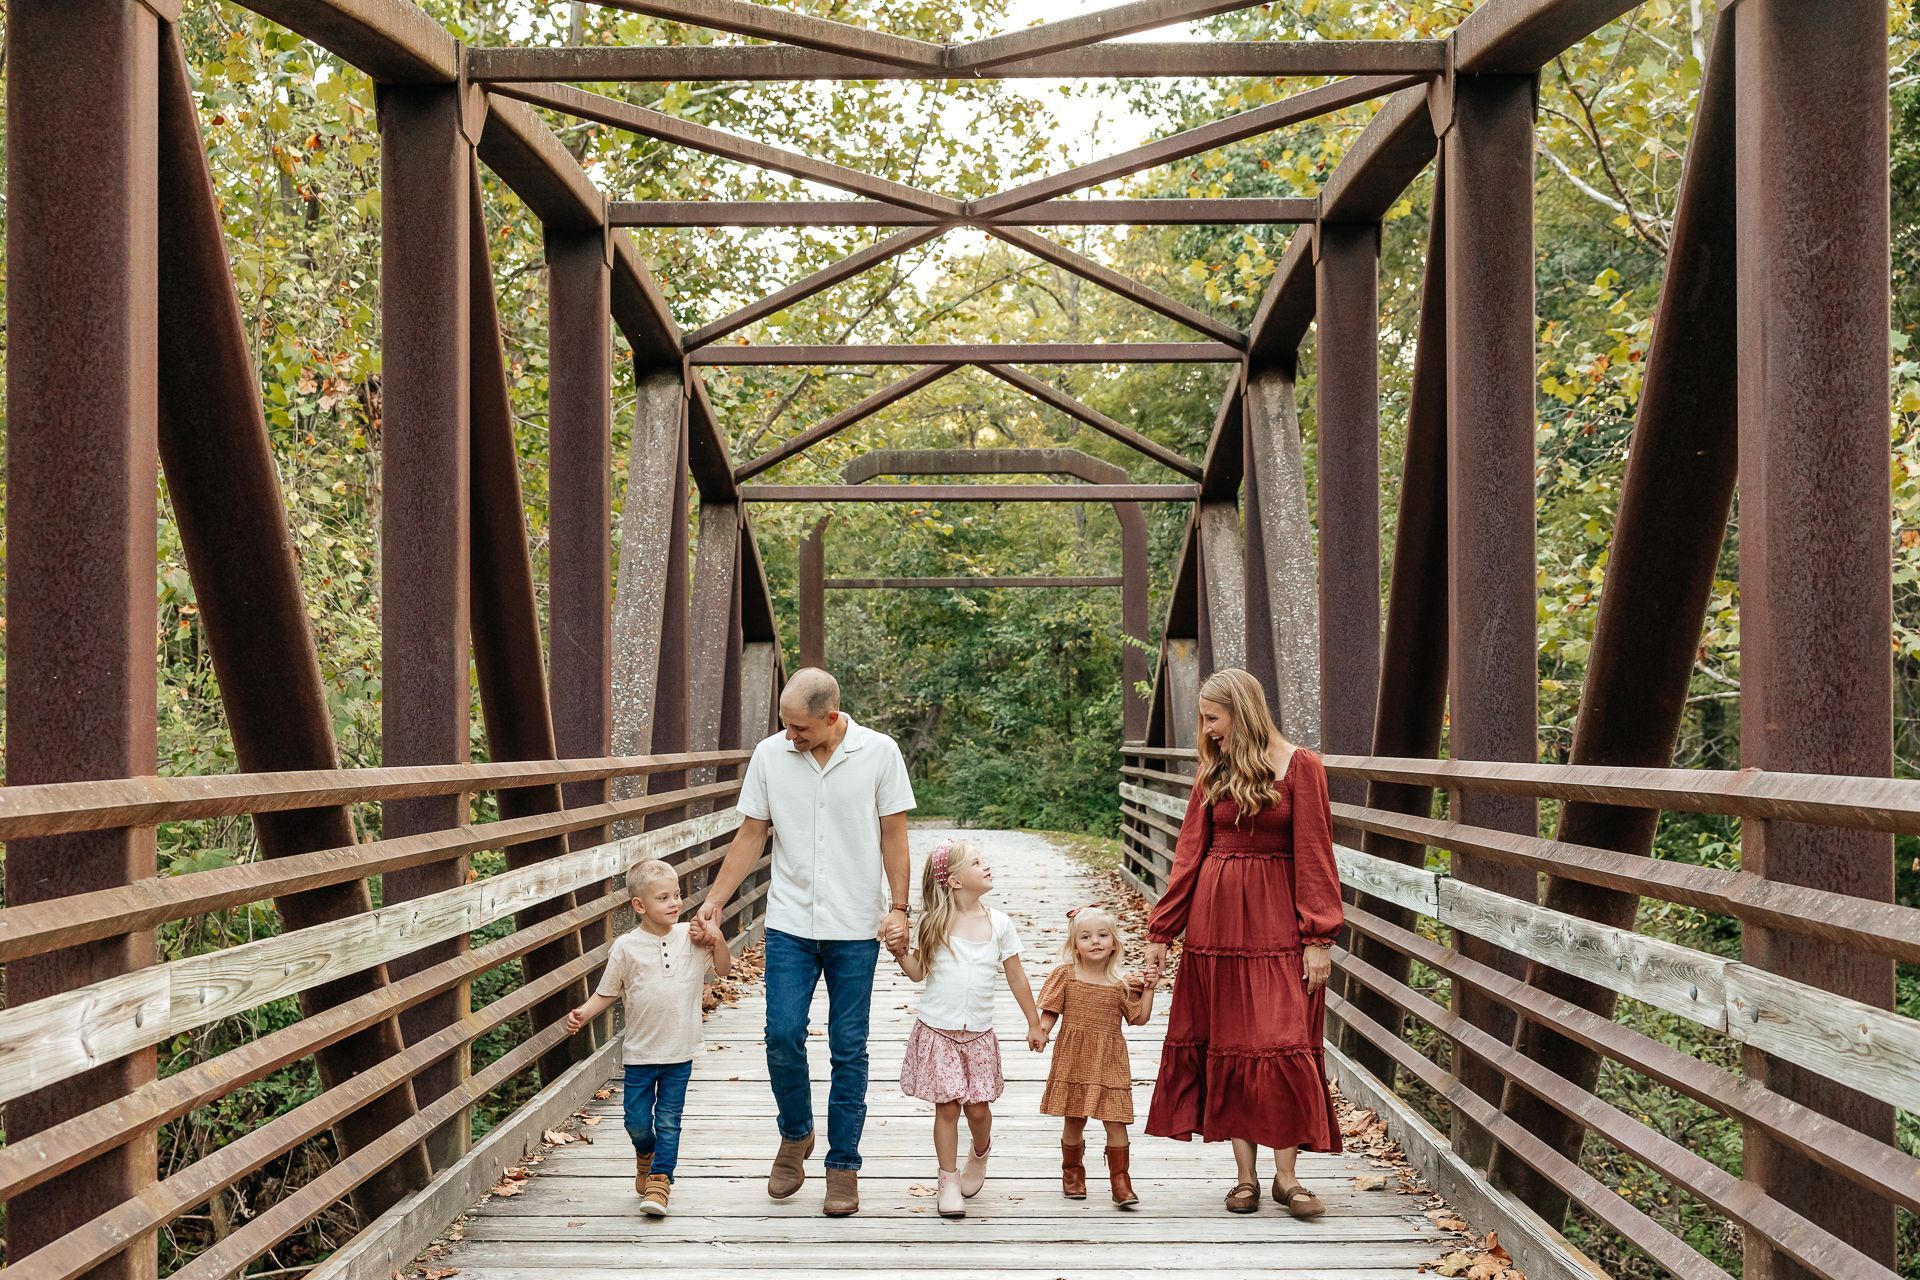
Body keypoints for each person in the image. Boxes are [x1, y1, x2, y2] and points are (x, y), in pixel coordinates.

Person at [695, 667, 914, 1218]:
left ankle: (843, 1165)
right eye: (785, 726)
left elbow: (895, 835)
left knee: (848, 1047)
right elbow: (751, 833)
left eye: (800, 728)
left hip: (855, 926)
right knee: (781, 1034)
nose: (790, 736)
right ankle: (796, 1133)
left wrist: (900, 908)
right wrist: (717, 899)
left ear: (832, 717)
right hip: (791, 921)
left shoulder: (880, 753)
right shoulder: (770, 756)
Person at [1141, 667, 1344, 1219]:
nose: (1206, 730)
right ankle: (1245, 1179)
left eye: (1212, 718)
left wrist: (1317, 935)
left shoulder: (1302, 767)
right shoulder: (1214, 770)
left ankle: (1288, 1178)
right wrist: (1163, 931)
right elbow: (1189, 855)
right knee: (1228, 1041)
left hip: (1278, 925)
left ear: (1243, 711)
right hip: (1217, 926)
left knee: (1280, 1040)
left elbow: (1316, 855)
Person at [886, 837, 1045, 1220]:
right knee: (947, 1109)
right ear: (955, 881)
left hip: (978, 1034)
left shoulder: (999, 924)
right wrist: (898, 953)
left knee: (977, 1110)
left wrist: (1034, 1021)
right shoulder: (933, 923)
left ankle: (980, 1152)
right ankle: (948, 1179)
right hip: (938, 1031)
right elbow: (918, 973)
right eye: (976, 862)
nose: (986, 866)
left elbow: (1017, 976)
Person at [564, 857, 733, 1217]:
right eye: (663, 898)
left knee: (669, 1118)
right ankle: (646, 1153)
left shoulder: (692, 938)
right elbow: (607, 992)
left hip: (680, 1051)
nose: (674, 903)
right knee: (636, 1121)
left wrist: (716, 939)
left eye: (677, 895)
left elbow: (722, 968)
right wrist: (583, 1014)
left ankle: (660, 1181)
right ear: (639, 905)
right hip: (640, 1052)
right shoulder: (626, 947)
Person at [1036, 904, 1154, 1208]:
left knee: (1117, 1121)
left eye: (1102, 935)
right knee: (1074, 1119)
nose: (1095, 941)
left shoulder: (1122, 982)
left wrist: (1151, 988)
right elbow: (1050, 1012)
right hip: (1074, 1058)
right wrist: (1042, 1031)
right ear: (1075, 945)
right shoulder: (1066, 975)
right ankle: (1072, 1174)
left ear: (1114, 942)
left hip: (1110, 1058)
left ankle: (1121, 1181)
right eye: (1086, 937)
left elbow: (1139, 1018)